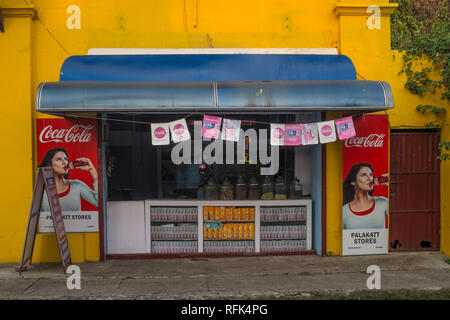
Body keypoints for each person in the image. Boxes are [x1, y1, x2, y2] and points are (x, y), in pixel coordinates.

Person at [342, 162, 388, 230]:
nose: (370, 178)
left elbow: (403, 216)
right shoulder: (344, 211)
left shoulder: (383, 202)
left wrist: (394, 186)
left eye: (371, 174)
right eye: (364, 175)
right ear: (353, 182)